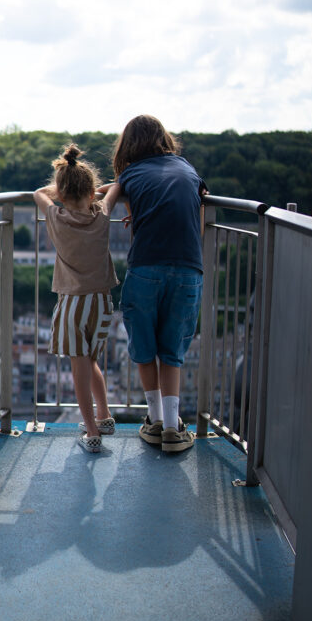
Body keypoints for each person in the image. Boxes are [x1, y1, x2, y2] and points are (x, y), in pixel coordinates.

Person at [113, 114, 207, 453]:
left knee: (144, 347)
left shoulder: (130, 175)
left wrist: (137, 213)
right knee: (172, 351)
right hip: (187, 267)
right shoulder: (188, 170)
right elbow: (189, 211)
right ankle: (172, 428)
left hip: (146, 267)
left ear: (128, 146)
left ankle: (152, 420)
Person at [34, 143, 121, 453]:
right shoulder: (102, 216)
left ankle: (92, 433)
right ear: (91, 192)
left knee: (78, 368)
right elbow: (115, 188)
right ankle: (105, 416)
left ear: (62, 195)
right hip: (102, 302)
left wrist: (59, 189)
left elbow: (38, 195)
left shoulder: (57, 218)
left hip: (73, 303)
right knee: (91, 361)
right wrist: (96, 192)